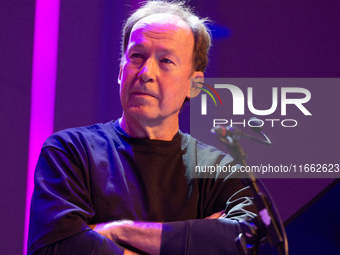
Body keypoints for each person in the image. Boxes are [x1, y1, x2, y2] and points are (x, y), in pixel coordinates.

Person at [27, 1, 256, 254]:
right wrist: (190, 242)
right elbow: (55, 248)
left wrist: (120, 231)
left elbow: (250, 240)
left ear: (195, 85)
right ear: (120, 70)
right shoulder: (70, 151)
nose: (146, 72)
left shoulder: (218, 169)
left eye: (165, 60)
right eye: (137, 56)